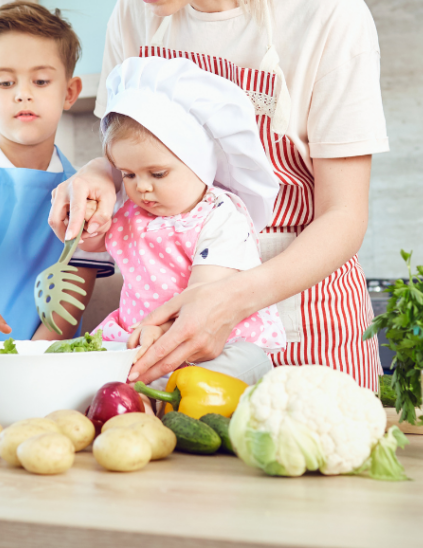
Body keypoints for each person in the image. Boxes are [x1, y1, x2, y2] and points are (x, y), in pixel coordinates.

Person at [49, 0, 388, 391]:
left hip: (302, 329)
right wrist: (98, 175)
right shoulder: (135, 15)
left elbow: (344, 217)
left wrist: (233, 299)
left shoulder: (321, 12)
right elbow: (123, 147)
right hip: (169, 336)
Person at [81, 56, 285, 386]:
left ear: (199, 163)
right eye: (128, 174)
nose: (141, 186)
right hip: (139, 339)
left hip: (215, 342)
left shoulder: (220, 216)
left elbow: (206, 291)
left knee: (240, 364)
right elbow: (94, 244)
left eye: (157, 173)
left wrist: (164, 333)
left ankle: (149, 396)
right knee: (90, 371)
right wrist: (87, 224)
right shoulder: (131, 213)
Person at [0, 2, 114, 351]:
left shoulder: (86, 196)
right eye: (5, 82)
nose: (22, 93)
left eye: (41, 80)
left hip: (45, 360)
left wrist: (28, 360)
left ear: (70, 92)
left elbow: (71, 301)